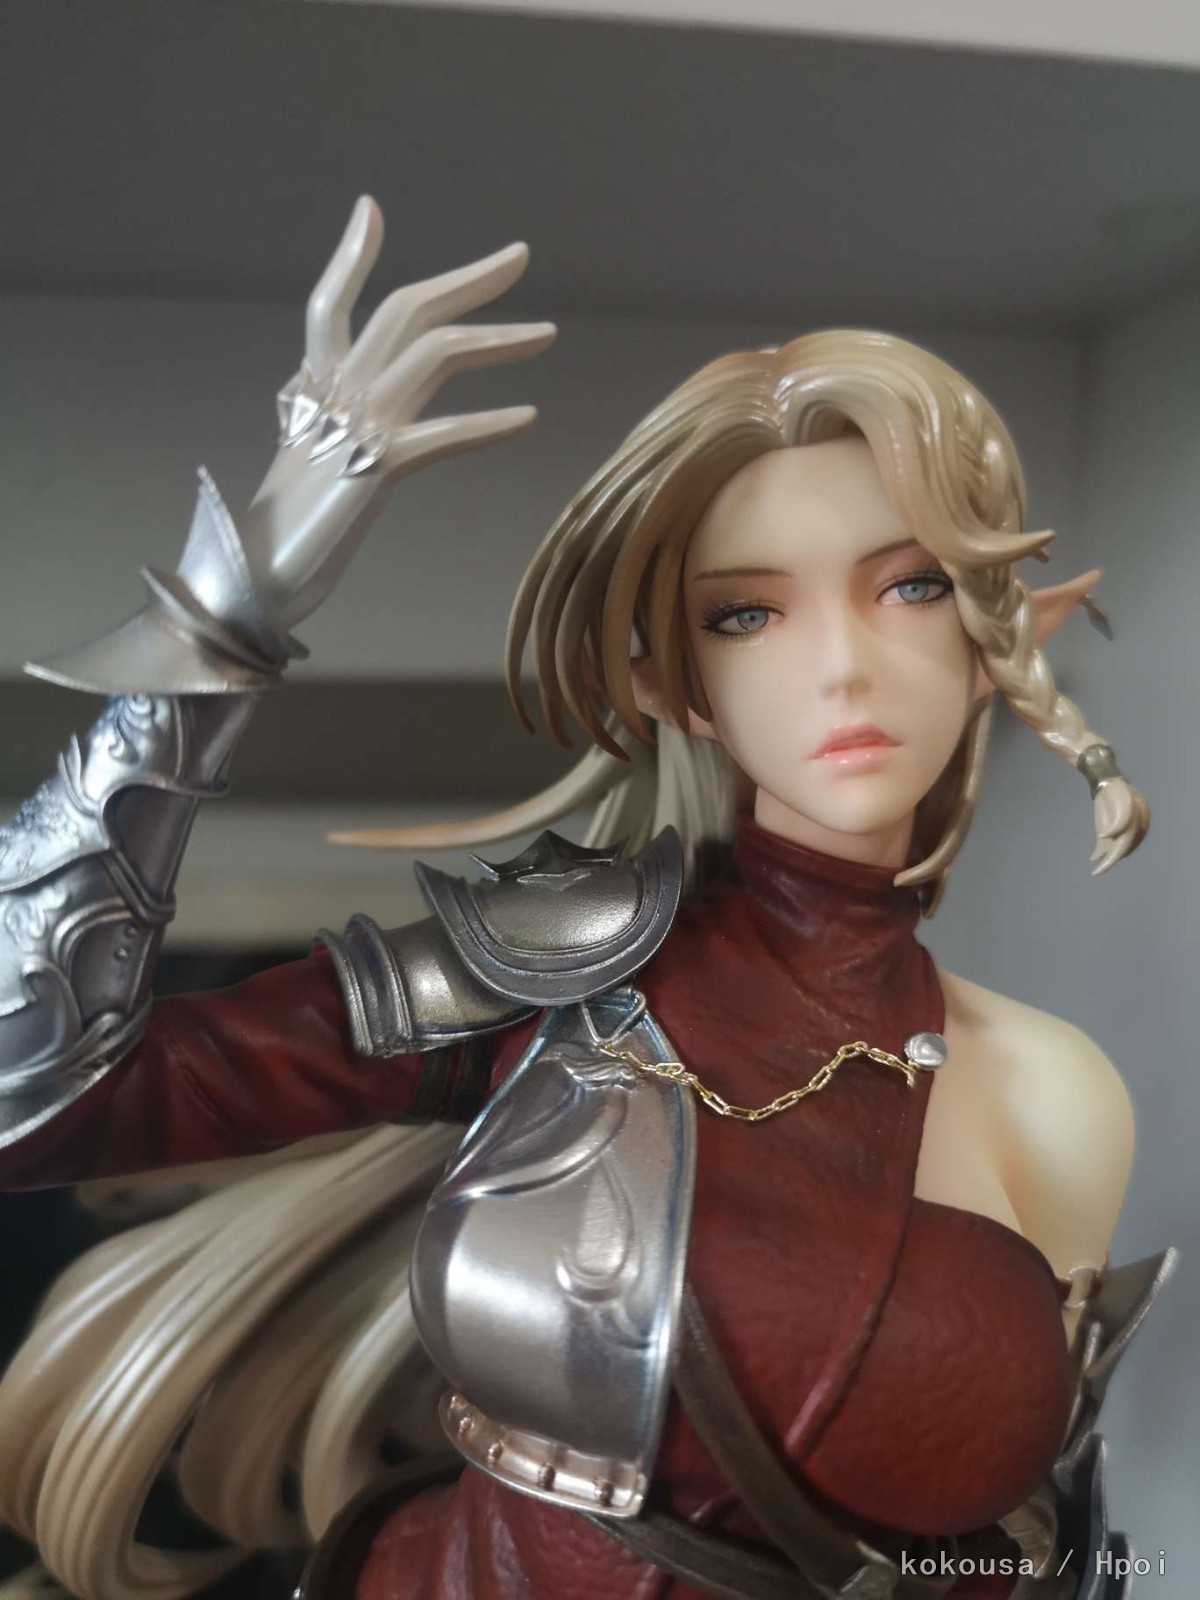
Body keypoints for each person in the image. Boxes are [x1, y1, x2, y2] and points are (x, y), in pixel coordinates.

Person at [0, 199, 1177, 1600]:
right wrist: (230, 603)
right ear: (672, 684)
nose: (842, 666)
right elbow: (35, 1095)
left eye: (910, 588)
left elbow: (1041, 1547)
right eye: (748, 613)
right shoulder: (557, 970)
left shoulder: (1057, 1092)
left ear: (1000, 637)